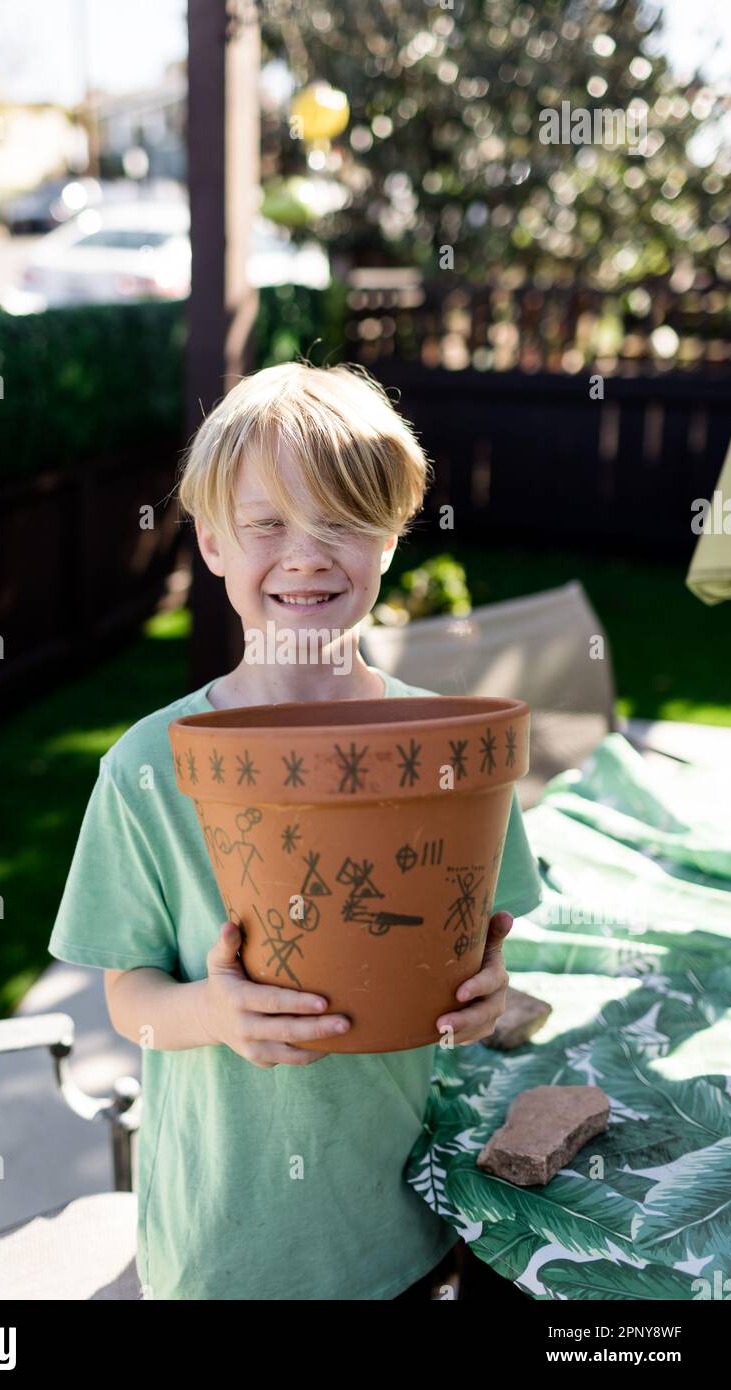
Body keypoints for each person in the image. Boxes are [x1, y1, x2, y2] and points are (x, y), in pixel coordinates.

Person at [47, 361, 543, 1300]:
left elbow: (479, 954)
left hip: (402, 1223)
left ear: (393, 538)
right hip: (227, 1248)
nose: (308, 555)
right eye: (268, 522)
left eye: (344, 522)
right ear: (214, 543)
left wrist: (483, 994)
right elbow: (130, 999)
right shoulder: (150, 767)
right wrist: (212, 1013)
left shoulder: (453, 754)